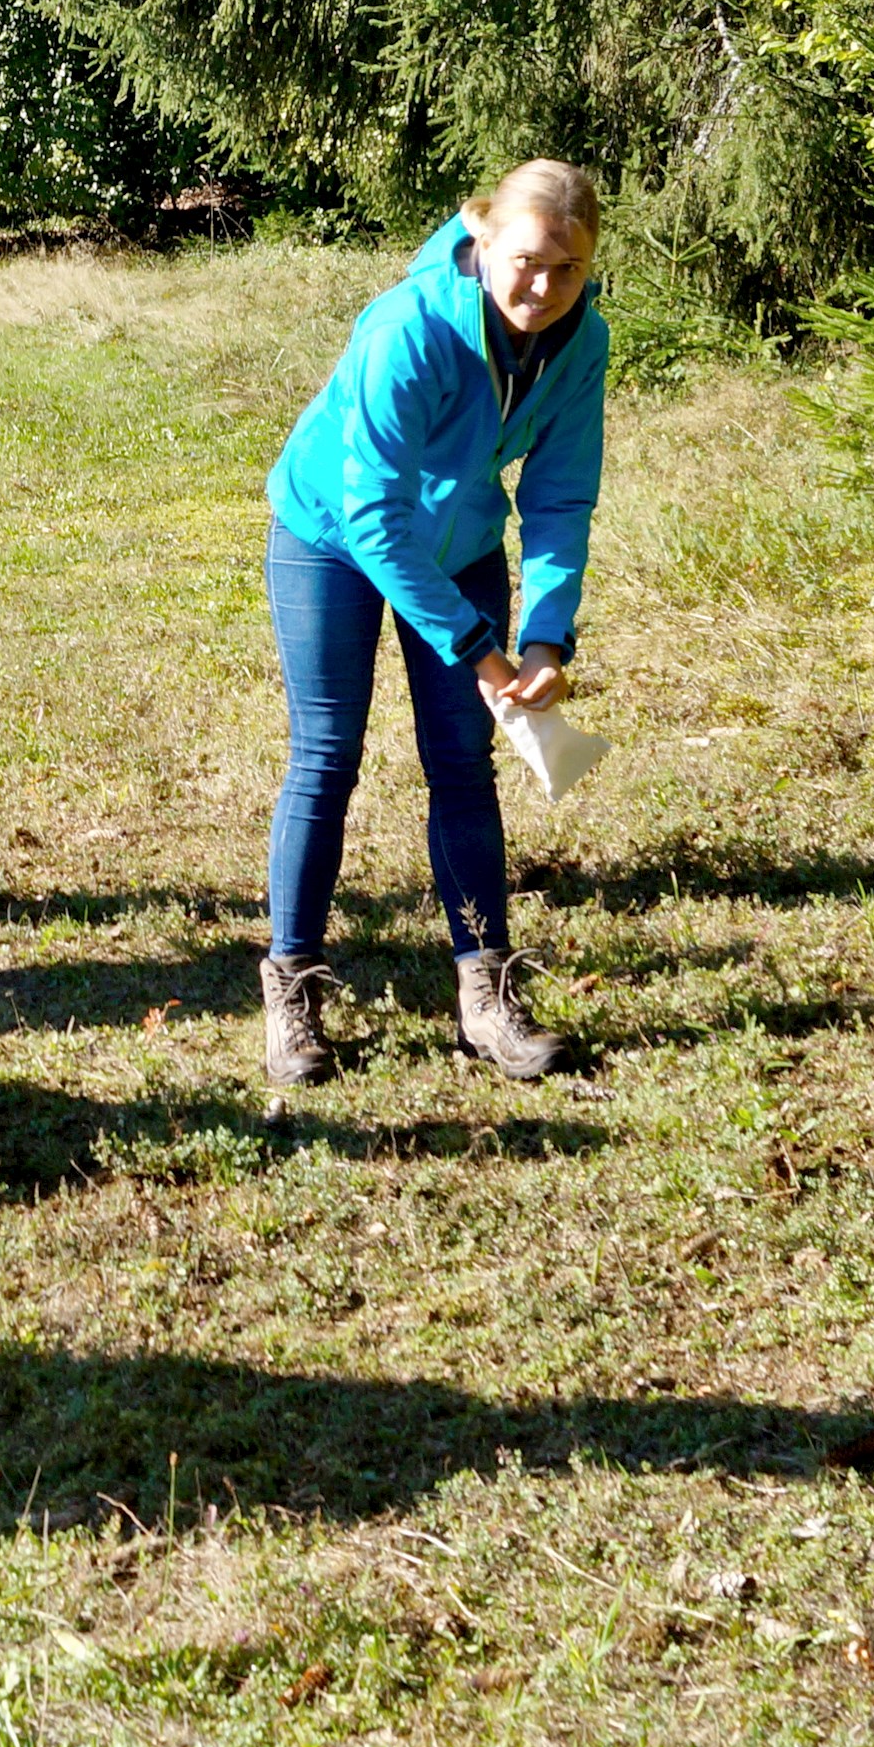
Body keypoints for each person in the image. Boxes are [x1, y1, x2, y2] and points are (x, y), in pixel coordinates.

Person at [255, 160, 611, 1087]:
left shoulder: (583, 340)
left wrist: (544, 637)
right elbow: (373, 512)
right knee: (327, 751)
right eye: (528, 260)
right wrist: (476, 647)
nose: (543, 287)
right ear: (485, 239)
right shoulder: (407, 326)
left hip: (459, 542)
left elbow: (562, 493)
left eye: (567, 270)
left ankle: (485, 993)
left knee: (462, 761)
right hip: (330, 534)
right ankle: (292, 990)